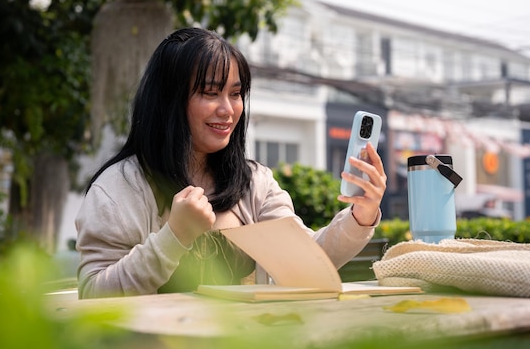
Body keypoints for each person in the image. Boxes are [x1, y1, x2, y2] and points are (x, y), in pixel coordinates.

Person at [75, 27, 387, 299]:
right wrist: (175, 236)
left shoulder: (255, 182)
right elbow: (94, 292)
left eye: (235, 94)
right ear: (169, 100)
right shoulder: (117, 189)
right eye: (210, 93)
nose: (227, 109)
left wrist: (361, 214)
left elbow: (307, 259)